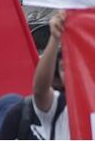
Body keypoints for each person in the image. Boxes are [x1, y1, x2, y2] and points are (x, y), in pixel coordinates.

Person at [31, 12, 69, 140]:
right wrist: (54, 38)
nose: (70, 72)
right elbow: (39, 91)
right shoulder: (58, 106)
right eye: (63, 68)